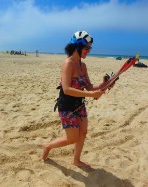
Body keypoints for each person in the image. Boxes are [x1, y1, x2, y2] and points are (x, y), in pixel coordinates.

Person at [42, 31, 111, 169]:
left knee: (83, 133)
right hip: (66, 106)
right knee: (72, 138)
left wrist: (104, 84)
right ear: (78, 47)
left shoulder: (82, 66)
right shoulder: (68, 63)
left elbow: (89, 86)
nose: (89, 51)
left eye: (90, 48)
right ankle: (48, 146)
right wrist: (92, 95)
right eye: (87, 48)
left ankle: (76, 160)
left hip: (79, 104)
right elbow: (66, 89)